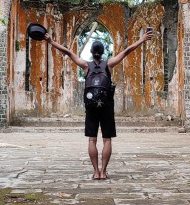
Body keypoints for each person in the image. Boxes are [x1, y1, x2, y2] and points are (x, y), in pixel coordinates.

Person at [44, 28, 153, 180]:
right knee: (107, 139)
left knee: (92, 139)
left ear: (91, 51)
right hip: (106, 105)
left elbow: (68, 52)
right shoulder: (109, 64)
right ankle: (104, 172)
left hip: (91, 107)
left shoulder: (85, 65)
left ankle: (95, 171)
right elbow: (127, 51)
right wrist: (142, 39)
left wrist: (51, 42)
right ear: (102, 52)